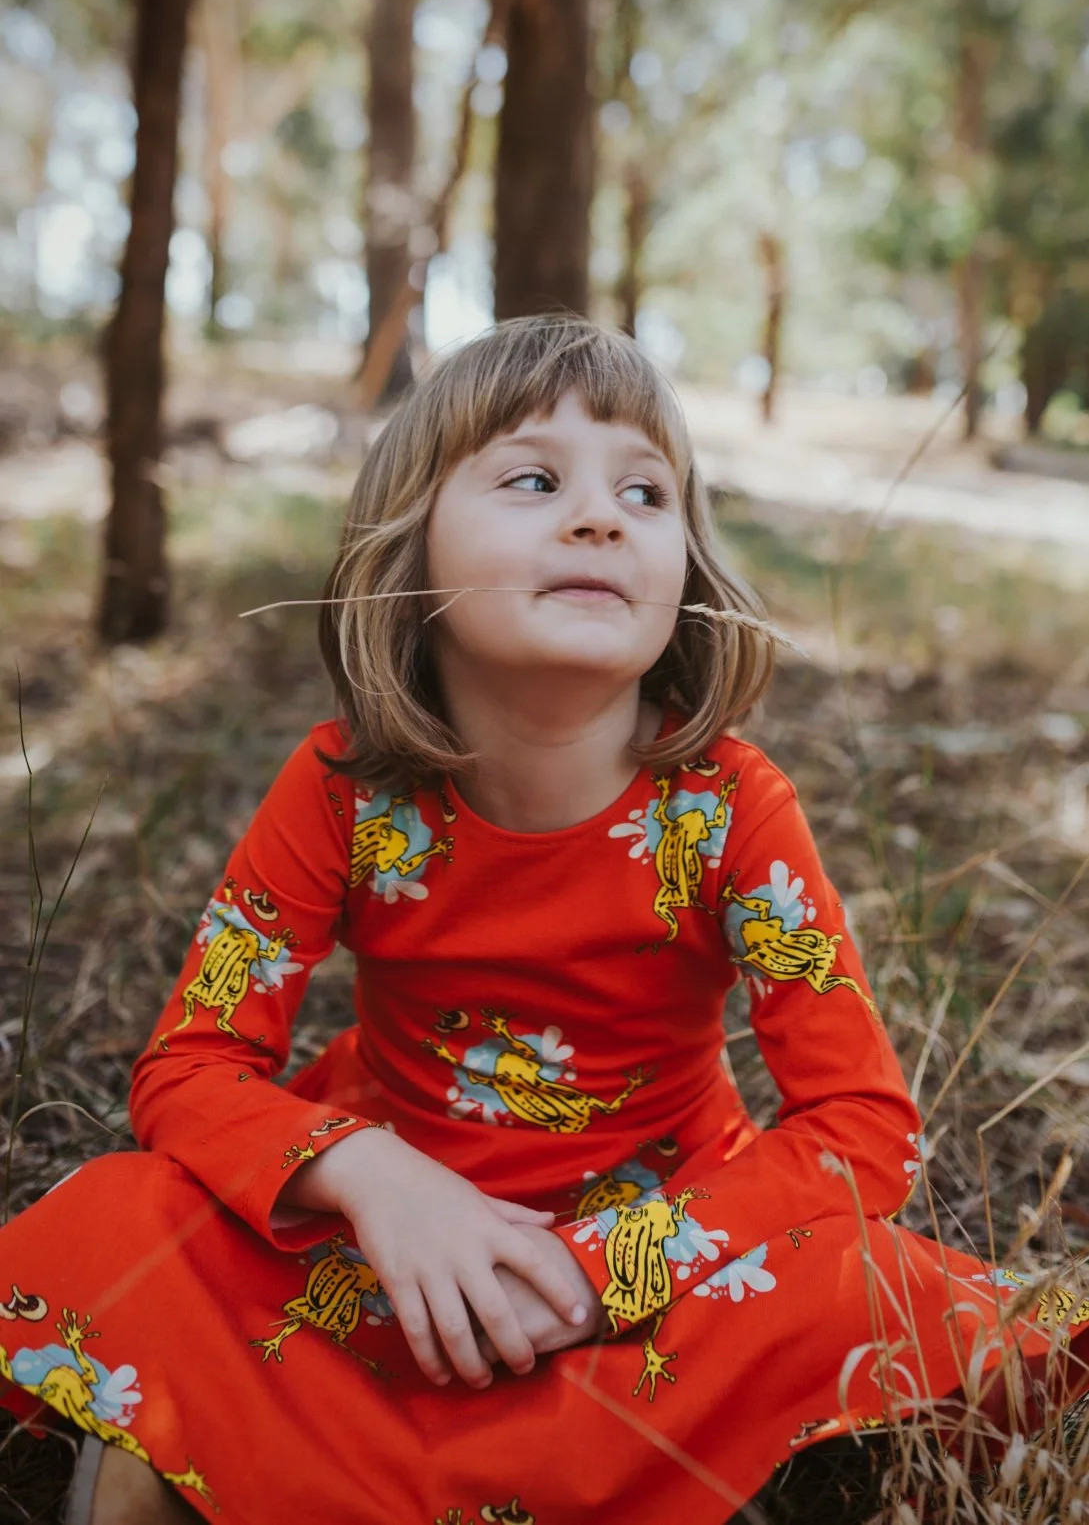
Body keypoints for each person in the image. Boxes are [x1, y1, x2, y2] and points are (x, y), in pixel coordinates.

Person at [0, 317, 1085, 1525]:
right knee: (116, 1211)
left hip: (661, 1259)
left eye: (645, 489)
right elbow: (191, 1069)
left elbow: (862, 1129)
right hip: (388, 1251)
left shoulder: (731, 809)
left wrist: (604, 1272)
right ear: (407, 547)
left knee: (866, 1280)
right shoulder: (343, 793)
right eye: (533, 478)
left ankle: (248, 1445)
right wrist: (376, 1180)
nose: (599, 515)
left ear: (687, 565)